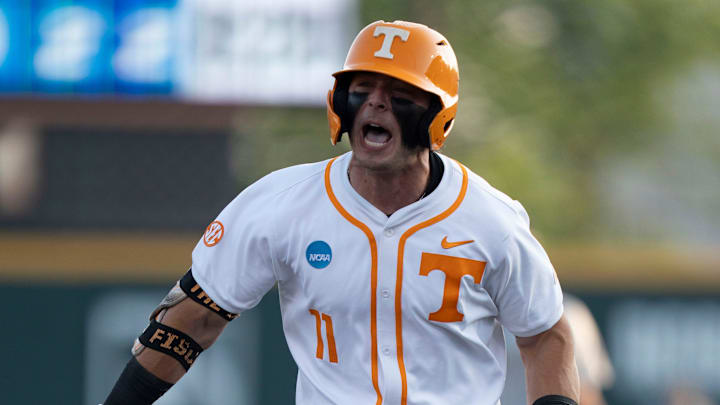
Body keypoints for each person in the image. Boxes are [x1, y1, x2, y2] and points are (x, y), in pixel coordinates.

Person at [104, 20, 579, 405]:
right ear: (339, 102)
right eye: (363, 86)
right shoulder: (279, 203)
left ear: (438, 114)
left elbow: (544, 336)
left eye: (399, 93)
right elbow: (193, 319)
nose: (375, 101)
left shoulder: (490, 218)